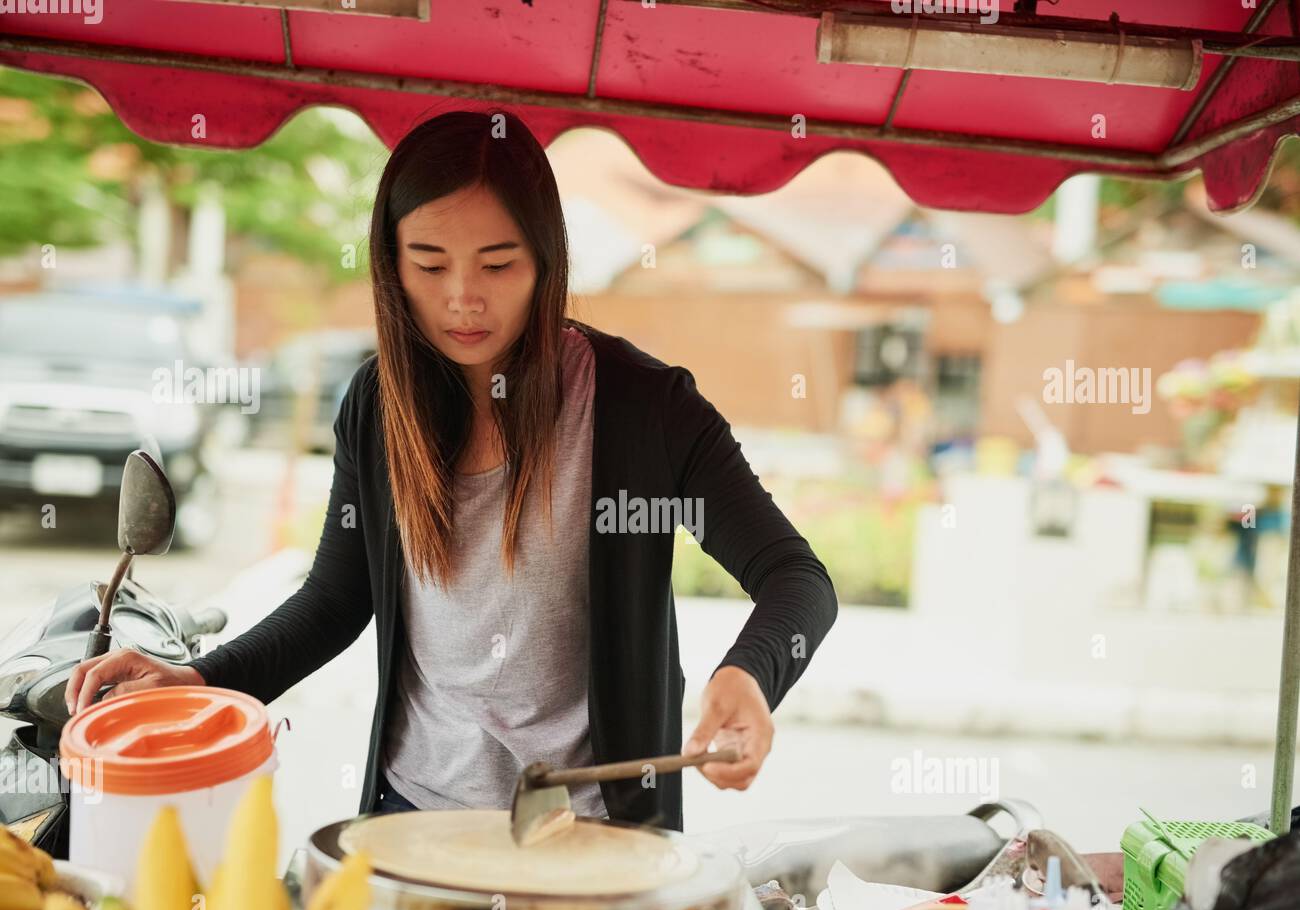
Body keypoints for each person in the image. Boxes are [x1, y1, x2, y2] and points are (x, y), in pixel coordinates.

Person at [65, 110, 838, 831]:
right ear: (390, 266)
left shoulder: (644, 405)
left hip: (594, 832)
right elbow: (338, 599)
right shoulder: (377, 405)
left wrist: (750, 676)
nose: (463, 299)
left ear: (545, 259)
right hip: (415, 812)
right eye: (429, 264)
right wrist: (198, 679)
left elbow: (796, 578)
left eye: (498, 264)